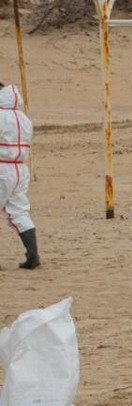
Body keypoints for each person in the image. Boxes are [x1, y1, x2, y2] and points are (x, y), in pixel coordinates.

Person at [0, 83, 39, 270]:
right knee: (19, 212)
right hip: (19, 168)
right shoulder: (24, 119)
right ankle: (33, 255)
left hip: (2, 167)